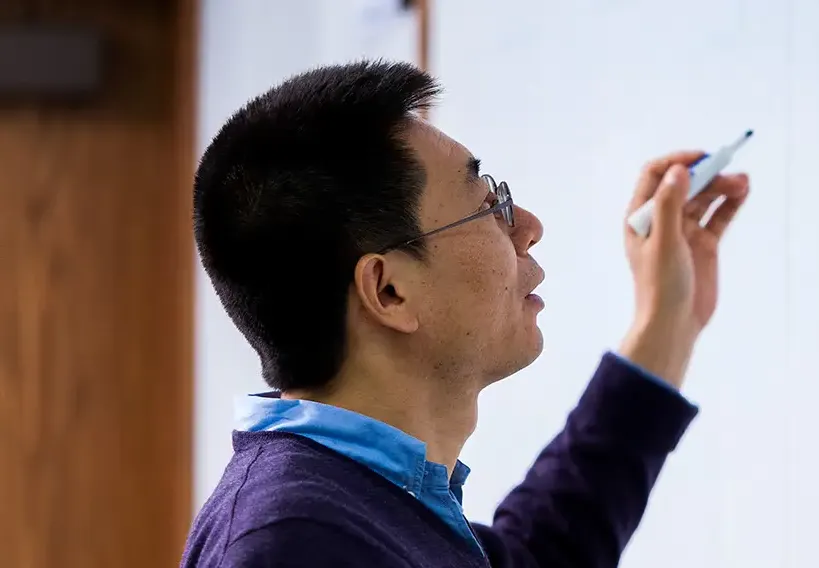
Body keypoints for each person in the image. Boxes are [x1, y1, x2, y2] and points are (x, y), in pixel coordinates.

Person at [178, 60, 750, 567]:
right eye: (488, 204)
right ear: (389, 291)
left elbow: (541, 551)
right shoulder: (290, 545)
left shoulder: (350, 501)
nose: (528, 226)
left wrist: (667, 319)